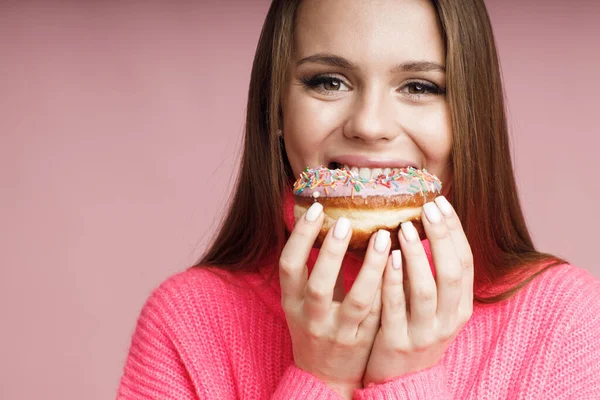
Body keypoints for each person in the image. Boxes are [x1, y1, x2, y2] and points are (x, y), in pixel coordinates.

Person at [117, 0, 600, 399]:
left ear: (469, 118)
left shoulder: (565, 321)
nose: (369, 125)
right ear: (277, 107)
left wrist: (407, 379)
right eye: (329, 81)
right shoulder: (186, 321)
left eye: (419, 86)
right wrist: (320, 378)